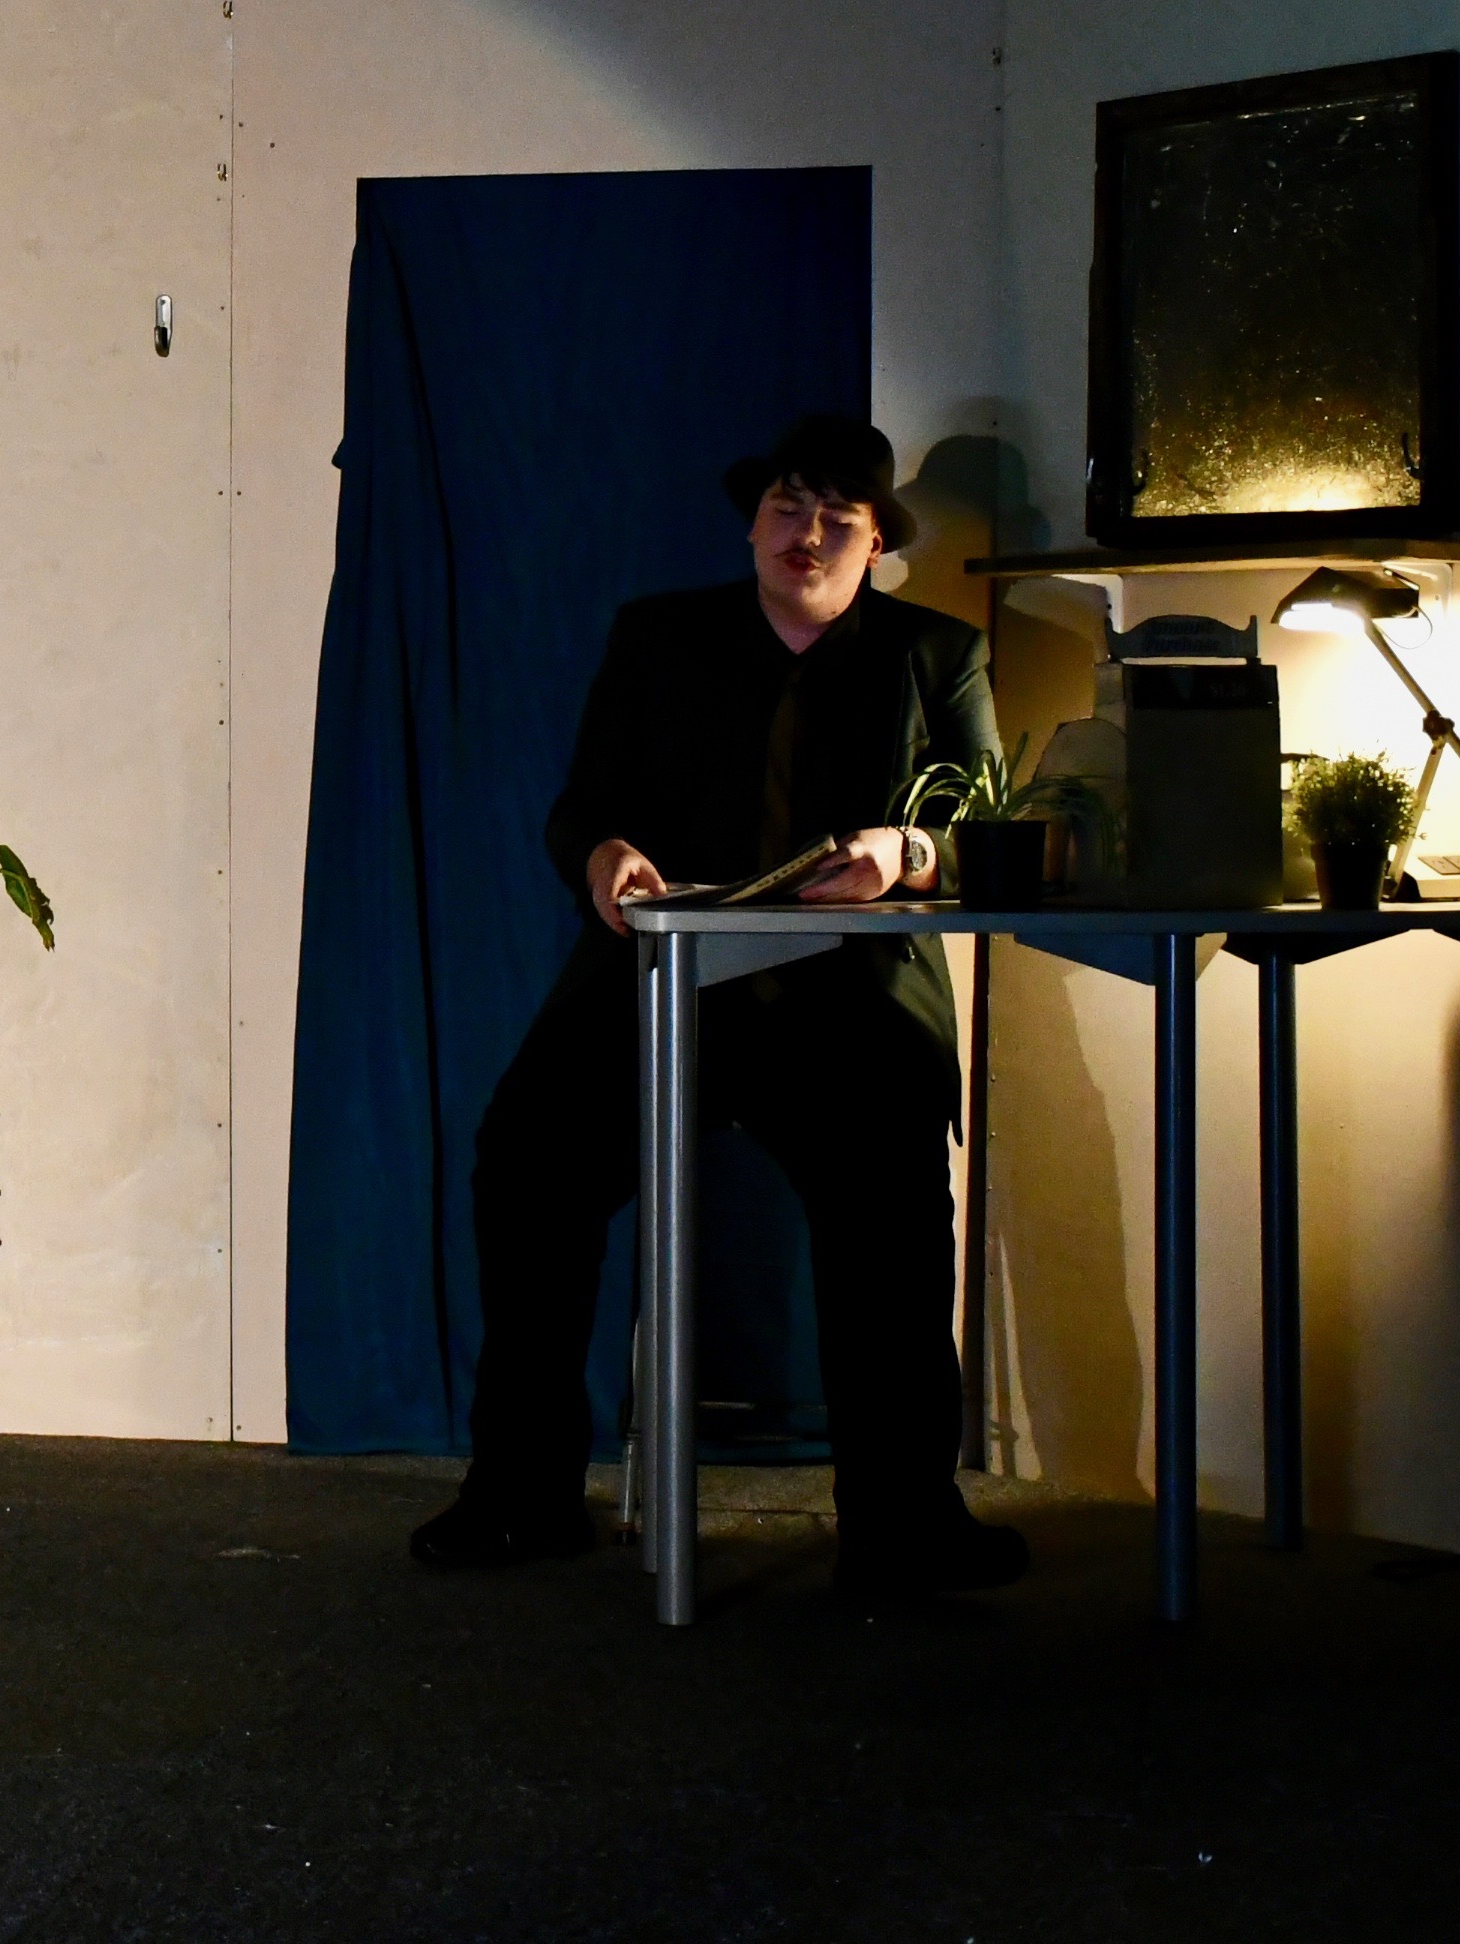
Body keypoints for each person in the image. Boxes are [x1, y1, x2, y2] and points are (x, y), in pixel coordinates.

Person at [409, 414, 1027, 1599]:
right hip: (662, 989)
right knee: (527, 1159)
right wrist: (603, 858)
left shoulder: (935, 655)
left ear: (876, 544)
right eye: (788, 508)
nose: (808, 534)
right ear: (753, 523)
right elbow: (581, 807)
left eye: (838, 517)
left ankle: (903, 1523)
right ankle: (523, 1493)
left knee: (892, 1211)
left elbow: (989, 831)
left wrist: (904, 855)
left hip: (847, 1001)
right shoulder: (659, 637)